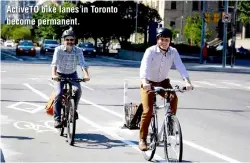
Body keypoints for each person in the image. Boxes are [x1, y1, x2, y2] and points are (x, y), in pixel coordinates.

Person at [138, 27, 194, 151]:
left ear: (170, 41)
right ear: (157, 39)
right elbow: (144, 67)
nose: (164, 42)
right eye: (162, 39)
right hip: (149, 82)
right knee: (148, 111)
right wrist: (144, 82)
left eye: (167, 40)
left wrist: (187, 82)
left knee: (174, 98)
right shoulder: (150, 51)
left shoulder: (173, 52)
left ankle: (170, 124)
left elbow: (180, 66)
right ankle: (142, 139)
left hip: (163, 82)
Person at [51, 27, 90, 128]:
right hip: (60, 74)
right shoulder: (58, 50)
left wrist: (86, 75)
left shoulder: (78, 50)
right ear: (63, 40)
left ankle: (73, 110)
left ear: (74, 40)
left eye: (71, 40)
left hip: (72, 74)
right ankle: (57, 119)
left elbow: (82, 64)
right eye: (67, 40)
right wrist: (54, 75)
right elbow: (54, 63)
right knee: (59, 94)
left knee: (78, 90)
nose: (69, 42)